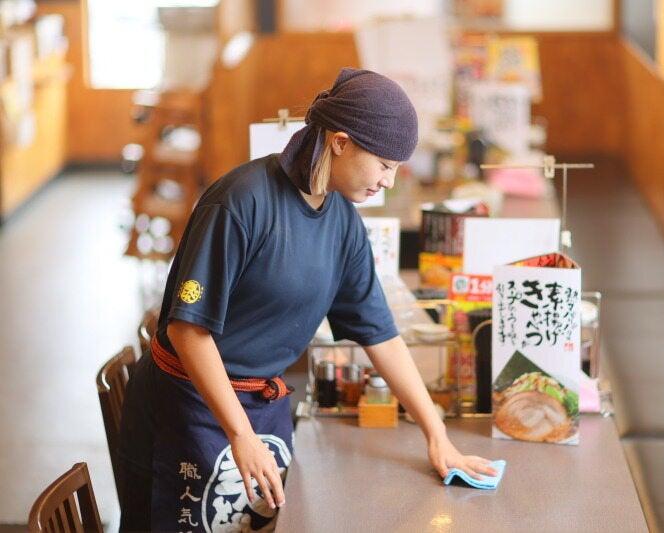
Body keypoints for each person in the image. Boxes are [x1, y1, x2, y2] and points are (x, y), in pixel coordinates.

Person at [117, 68, 496, 531]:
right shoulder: (240, 202)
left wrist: (437, 435)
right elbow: (187, 329)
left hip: (259, 407)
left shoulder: (342, 222)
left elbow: (381, 335)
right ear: (340, 142)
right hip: (190, 405)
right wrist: (240, 434)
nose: (390, 182)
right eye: (385, 165)